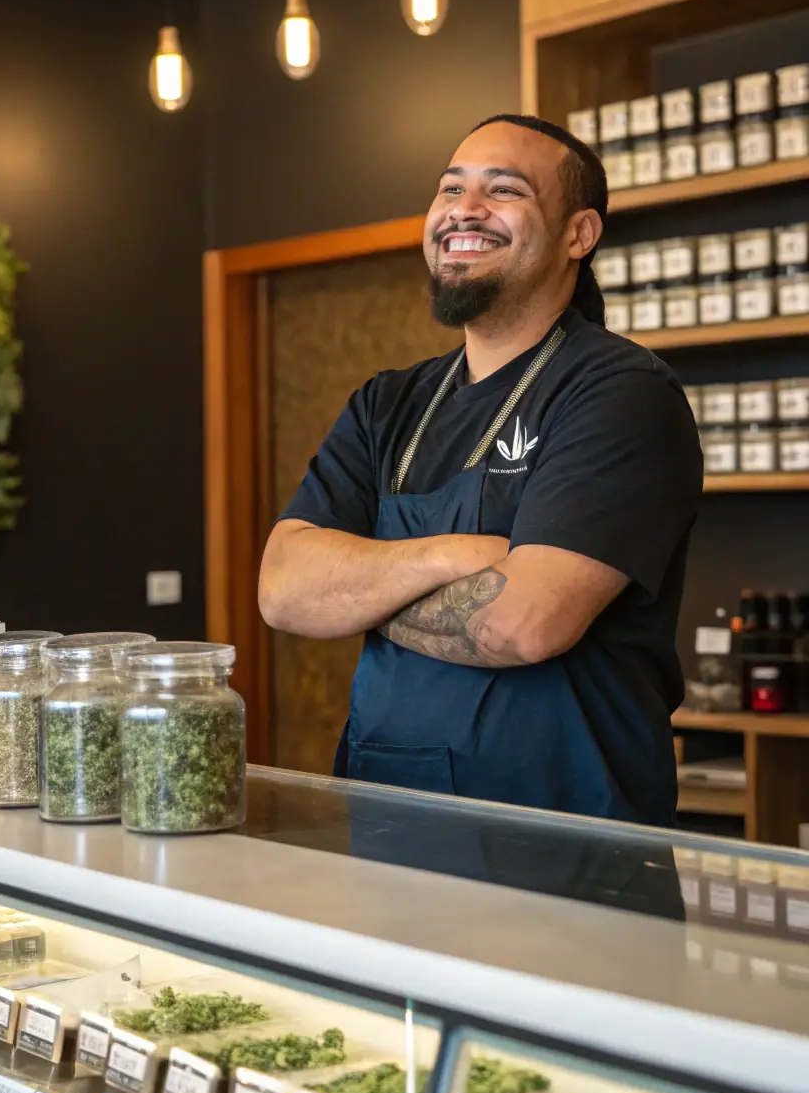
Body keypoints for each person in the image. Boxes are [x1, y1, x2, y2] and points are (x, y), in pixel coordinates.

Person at [259, 115, 703, 827]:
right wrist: (455, 555)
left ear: (578, 235)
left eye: (504, 191)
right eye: (450, 188)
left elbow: (522, 623)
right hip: (391, 822)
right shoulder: (386, 403)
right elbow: (283, 590)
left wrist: (358, 590)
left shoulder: (621, 393)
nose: (464, 209)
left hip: (565, 839)